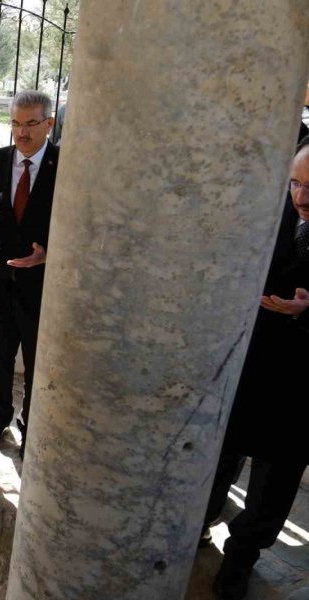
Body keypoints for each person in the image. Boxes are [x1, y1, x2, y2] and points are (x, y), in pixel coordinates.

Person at [204, 139, 309, 600]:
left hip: (300, 386)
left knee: (273, 483)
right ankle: (198, 522)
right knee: (219, 457)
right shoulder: (271, 209)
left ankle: (241, 559)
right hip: (247, 365)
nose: (301, 197)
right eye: (295, 183)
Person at [0, 90, 60, 457]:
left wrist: (49, 254)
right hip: (0, 282)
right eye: (15, 123)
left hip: (42, 287)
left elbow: (79, 224)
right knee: (0, 357)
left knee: (38, 362)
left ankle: (31, 426)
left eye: (31, 124)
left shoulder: (64, 165)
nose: (21, 133)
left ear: (49, 124)